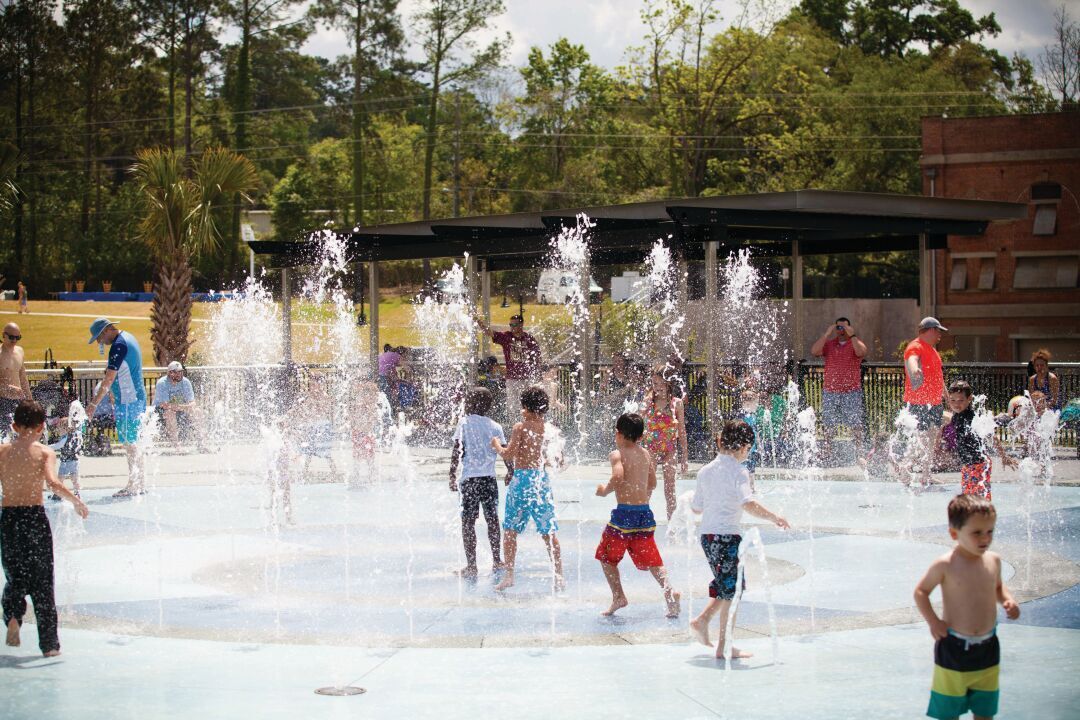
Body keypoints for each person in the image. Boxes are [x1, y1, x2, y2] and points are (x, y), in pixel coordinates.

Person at [688, 420, 790, 660]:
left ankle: (703, 622)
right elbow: (748, 503)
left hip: (707, 536)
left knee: (728, 586)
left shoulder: (705, 471)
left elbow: (696, 508)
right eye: (749, 449)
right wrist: (774, 517)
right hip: (727, 537)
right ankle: (723, 644)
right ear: (744, 446)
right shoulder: (739, 471)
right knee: (732, 590)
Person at [914, 494, 1020, 720]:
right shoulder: (946, 564)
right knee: (948, 711)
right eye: (977, 533)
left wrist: (1008, 600)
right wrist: (933, 621)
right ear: (954, 533)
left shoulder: (993, 560)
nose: (985, 538)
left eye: (990, 531)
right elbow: (921, 592)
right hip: (954, 647)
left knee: (984, 709)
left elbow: (998, 587)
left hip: (988, 647)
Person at [1, 400, 90, 656]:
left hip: (9, 519)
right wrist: (76, 502)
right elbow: (53, 483)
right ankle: (49, 645)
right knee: (42, 582)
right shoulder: (44, 453)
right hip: (34, 519)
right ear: (42, 427)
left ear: (14, 425)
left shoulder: (3, 452)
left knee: (15, 576)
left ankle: (13, 617)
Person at [594, 412, 680, 618]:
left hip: (624, 515)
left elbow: (618, 475)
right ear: (640, 436)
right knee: (653, 560)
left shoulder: (617, 454)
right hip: (644, 514)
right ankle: (670, 593)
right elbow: (652, 483)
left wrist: (605, 490)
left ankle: (618, 597)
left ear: (618, 434)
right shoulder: (646, 454)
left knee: (606, 557)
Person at [491, 386, 563, 592]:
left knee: (510, 529)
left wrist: (496, 444)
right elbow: (556, 459)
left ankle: (509, 575)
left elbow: (507, 454)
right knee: (548, 531)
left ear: (526, 408)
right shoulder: (549, 429)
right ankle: (559, 575)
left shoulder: (520, 427)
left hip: (522, 480)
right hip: (541, 480)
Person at [84, 318, 147, 497]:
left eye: (99, 337)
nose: (99, 342)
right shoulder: (128, 337)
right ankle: (139, 482)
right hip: (136, 398)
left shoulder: (118, 346)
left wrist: (93, 405)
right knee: (133, 443)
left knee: (129, 444)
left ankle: (133, 485)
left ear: (106, 331)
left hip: (128, 401)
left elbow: (109, 379)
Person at [449, 387, 506, 580]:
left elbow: (457, 449)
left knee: (468, 522)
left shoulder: (463, 423)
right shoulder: (495, 426)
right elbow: (504, 451)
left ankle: (472, 565)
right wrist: (511, 471)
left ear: (470, 403)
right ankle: (497, 560)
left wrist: (451, 474)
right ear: (490, 406)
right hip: (489, 479)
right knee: (492, 520)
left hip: (469, 480)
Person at [810, 316, 867, 464]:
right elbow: (815, 351)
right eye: (839, 327)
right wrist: (827, 334)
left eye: (844, 327)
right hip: (831, 390)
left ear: (850, 328)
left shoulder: (855, 343)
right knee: (829, 423)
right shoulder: (829, 344)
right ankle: (828, 450)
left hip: (851, 391)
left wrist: (852, 335)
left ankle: (859, 451)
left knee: (856, 423)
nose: (841, 330)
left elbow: (861, 352)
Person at [946, 381, 1016, 501]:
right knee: (969, 495)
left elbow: (991, 434)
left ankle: (983, 515)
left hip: (978, 464)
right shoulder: (956, 417)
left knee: (976, 495)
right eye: (953, 400)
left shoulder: (973, 418)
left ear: (969, 399)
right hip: (968, 465)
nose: (956, 404)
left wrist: (1003, 456)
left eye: (960, 400)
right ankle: (978, 515)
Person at [903, 317, 950, 488]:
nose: (940, 335)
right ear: (930, 330)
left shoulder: (932, 350)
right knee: (919, 440)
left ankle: (926, 475)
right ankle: (905, 471)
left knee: (931, 442)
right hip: (919, 403)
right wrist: (915, 369)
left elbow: (938, 377)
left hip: (934, 403)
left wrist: (946, 396)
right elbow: (912, 359)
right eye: (938, 331)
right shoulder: (916, 346)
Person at [642, 368, 688, 521]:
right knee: (647, 488)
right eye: (655, 383)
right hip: (651, 449)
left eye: (662, 383)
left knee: (670, 490)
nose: (658, 386)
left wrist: (684, 457)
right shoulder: (649, 402)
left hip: (670, 450)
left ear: (669, 384)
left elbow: (681, 431)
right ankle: (640, 524)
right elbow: (637, 421)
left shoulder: (676, 403)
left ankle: (672, 528)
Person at [478, 314, 542, 422]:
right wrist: (481, 324)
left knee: (527, 405)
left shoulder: (529, 339)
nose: (512, 327)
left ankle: (527, 425)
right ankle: (515, 426)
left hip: (526, 379)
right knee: (512, 406)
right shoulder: (507, 337)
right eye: (510, 324)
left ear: (521, 324)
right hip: (511, 379)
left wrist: (538, 375)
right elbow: (490, 333)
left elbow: (537, 358)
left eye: (515, 324)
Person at [152, 361, 210, 451]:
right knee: (170, 413)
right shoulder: (162, 383)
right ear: (169, 373)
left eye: (180, 371)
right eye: (176, 372)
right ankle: (177, 446)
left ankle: (202, 443)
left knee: (197, 411)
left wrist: (183, 407)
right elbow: (165, 405)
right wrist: (184, 407)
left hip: (180, 408)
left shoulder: (185, 382)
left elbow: (192, 402)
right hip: (161, 410)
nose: (179, 374)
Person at [47, 399, 87, 501]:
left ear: (66, 429)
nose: (57, 431)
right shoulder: (75, 436)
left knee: (60, 478)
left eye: (59, 429)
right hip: (75, 460)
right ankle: (77, 493)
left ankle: (58, 494)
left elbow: (58, 446)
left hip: (66, 461)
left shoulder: (65, 438)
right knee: (75, 478)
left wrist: (47, 447)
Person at [0, 322, 31, 441]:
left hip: (18, 401)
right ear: (3, 335)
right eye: (11, 337)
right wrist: (9, 388)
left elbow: (23, 377)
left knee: (21, 436)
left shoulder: (20, 351)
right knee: (4, 438)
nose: (14, 340)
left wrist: (30, 400)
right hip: (2, 401)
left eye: (17, 338)